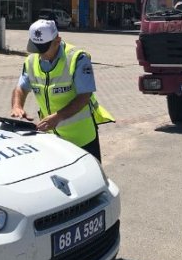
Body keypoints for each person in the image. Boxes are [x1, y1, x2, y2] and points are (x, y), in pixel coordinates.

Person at [10, 19, 114, 161]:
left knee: (89, 180)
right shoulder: (31, 61)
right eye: (36, 47)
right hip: (52, 139)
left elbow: (85, 96)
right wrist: (17, 106)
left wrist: (57, 117)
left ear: (57, 41)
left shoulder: (77, 58)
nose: (40, 54)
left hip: (81, 139)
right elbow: (20, 88)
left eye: (44, 49)